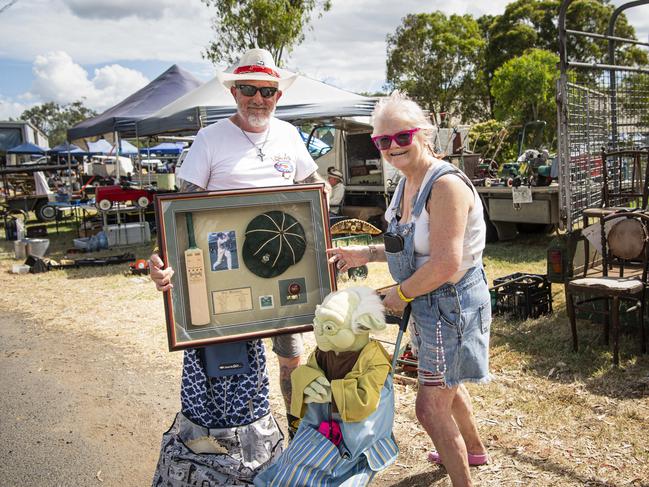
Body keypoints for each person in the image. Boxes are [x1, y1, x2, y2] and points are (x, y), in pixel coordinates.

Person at [150, 48, 328, 445]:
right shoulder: (210, 138)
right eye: (248, 88)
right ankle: (237, 449)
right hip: (223, 270)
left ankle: (295, 437)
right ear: (234, 92)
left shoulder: (288, 134)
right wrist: (161, 260)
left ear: (278, 96)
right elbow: (178, 213)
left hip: (287, 270)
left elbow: (314, 186)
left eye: (267, 91)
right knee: (230, 368)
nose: (258, 98)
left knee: (291, 361)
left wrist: (319, 203)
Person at [327, 91, 491, 487]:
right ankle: (474, 449)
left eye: (402, 137)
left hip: (451, 304)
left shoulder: (445, 186)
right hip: (428, 300)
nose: (392, 147)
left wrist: (398, 295)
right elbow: (411, 249)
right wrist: (364, 253)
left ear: (425, 134)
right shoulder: (405, 183)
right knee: (446, 384)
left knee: (430, 408)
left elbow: (446, 263)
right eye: (382, 141)